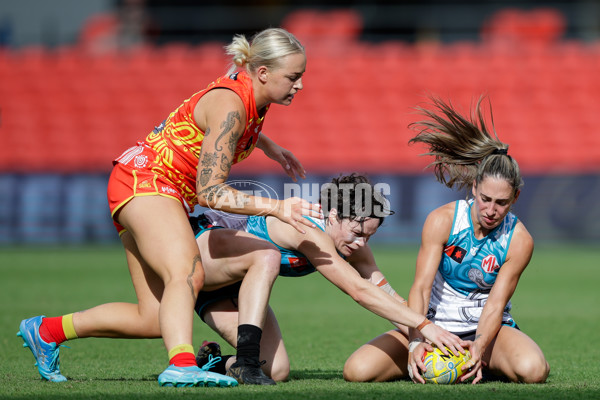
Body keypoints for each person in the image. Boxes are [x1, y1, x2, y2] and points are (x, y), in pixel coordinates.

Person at [17, 27, 323, 387]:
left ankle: (48, 330)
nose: (300, 84)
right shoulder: (232, 106)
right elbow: (210, 192)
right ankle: (181, 364)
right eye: (294, 76)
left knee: (154, 318)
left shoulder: (249, 98)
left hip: (146, 185)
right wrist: (276, 207)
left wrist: (267, 146)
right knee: (187, 273)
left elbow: (218, 125)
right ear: (263, 73)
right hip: (146, 182)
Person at [343, 96, 550, 384]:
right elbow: (421, 287)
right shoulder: (442, 220)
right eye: (485, 198)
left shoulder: (519, 240)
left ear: (515, 198)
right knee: (357, 371)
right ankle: (434, 358)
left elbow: (495, 304)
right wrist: (416, 340)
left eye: (501, 202)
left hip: (486, 332)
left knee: (533, 370)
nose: (491, 210)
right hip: (432, 326)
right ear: (474, 187)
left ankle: (478, 361)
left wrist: (478, 347)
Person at [187, 173, 467, 384]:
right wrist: (424, 325)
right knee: (150, 320)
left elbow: (387, 295)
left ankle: (212, 361)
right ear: (333, 214)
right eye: (357, 232)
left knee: (277, 370)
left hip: (237, 286)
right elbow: (358, 290)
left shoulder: (354, 246)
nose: (361, 243)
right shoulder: (308, 228)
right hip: (203, 258)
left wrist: (421, 337)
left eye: (369, 236)